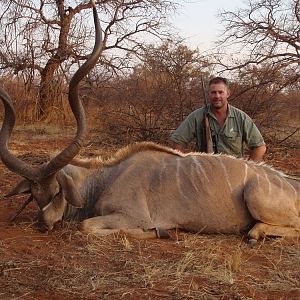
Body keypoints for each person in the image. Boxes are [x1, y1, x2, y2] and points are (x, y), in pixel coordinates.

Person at [170, 77, 266, 162]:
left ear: (228, 93)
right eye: (213, 92)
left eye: (220, 92)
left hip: (233, 175)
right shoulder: (197, 116)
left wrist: (248, 170)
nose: (217, 96)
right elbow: (178, 141)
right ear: (208, 94)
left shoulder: (241, 117)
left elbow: (259, 147)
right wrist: (186, 166)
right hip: (205, 172)